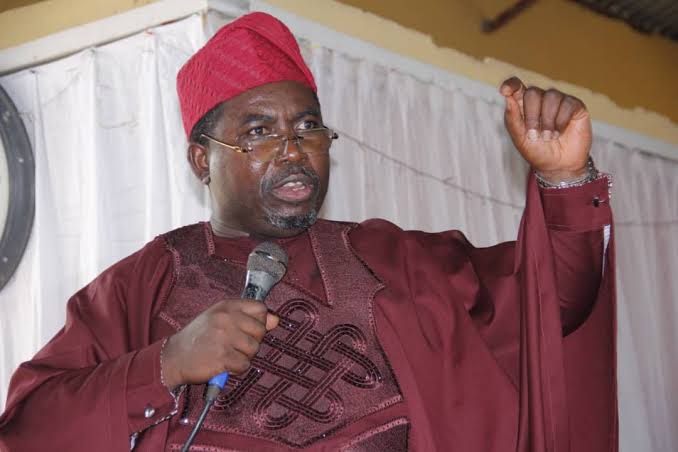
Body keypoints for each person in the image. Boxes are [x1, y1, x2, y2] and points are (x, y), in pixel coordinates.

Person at [0, 12, 616, 452]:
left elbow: (552, 301)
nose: (293, 150)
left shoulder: (397, 260)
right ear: (200, 160)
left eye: (308, 127)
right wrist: (167, 362)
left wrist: (565, 178)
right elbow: (28, 431)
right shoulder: (144, 285)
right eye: (259, 132)